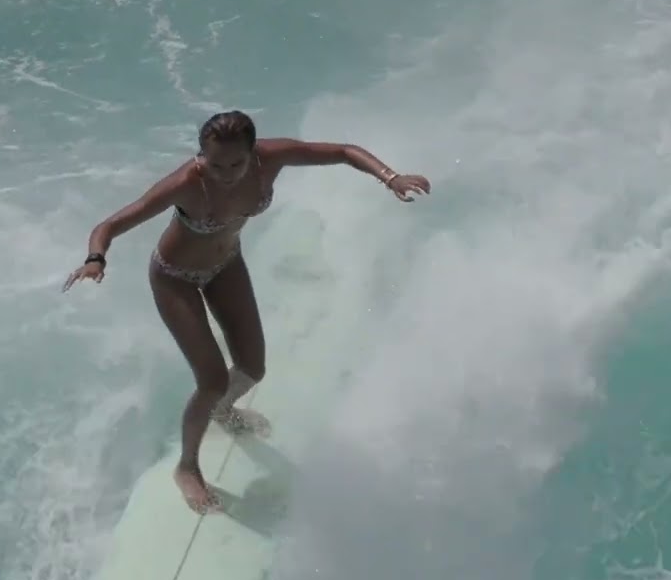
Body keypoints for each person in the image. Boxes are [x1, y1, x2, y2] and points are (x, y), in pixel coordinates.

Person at [61, 110, 431, 514]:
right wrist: (96, 259)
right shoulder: (186, 184)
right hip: (174, 278)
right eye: (213, 163)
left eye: (235, 163)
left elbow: (343, 151)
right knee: (212, 380)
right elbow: (110, 225)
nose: (224, 172)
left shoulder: (272, 158)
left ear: (252, 152)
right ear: (200, 155)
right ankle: (187, 467)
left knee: (253, 369)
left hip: (226, 266)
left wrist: (390, 176)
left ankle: (222, 412)